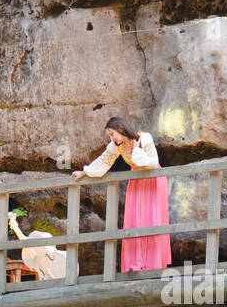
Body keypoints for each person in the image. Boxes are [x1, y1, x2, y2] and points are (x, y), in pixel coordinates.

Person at [73, 116, 172, 273]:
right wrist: (85, 172)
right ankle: (136, 262)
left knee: (152, 219)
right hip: (136, 180)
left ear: (120, 129)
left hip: (153, 180)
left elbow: (153, 161)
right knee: (135, 219)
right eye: (109, 135)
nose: (111, 138)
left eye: (112, 134)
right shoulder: (116, 146)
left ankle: (154, 264)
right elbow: (104, 160)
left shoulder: (144, 138)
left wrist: (139, 157)